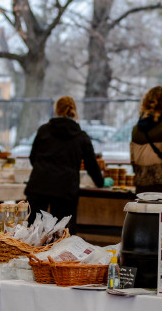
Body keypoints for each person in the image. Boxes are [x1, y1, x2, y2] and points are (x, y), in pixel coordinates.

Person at [26, 96, 104, 233]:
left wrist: (44, 168)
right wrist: (101, 182)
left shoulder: (43, 130)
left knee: (33, 232)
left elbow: (33, 158)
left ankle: (31, 255)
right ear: (74, 111)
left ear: (56, 110)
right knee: (63, 235)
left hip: (39, 185)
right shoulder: (80, 136)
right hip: (65, 189)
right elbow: (91, 165)